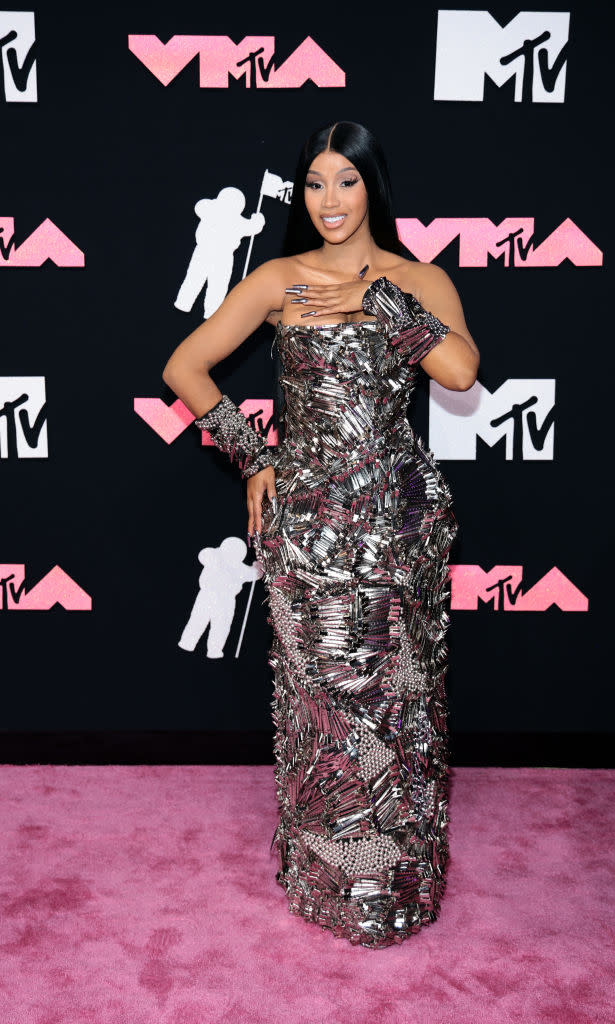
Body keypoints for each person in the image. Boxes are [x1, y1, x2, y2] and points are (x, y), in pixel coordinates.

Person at [162, 120, 479, 949]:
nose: (330, 200)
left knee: (399, 703)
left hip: (397, 522)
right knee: (323, 709)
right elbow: (184, 367)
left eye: (346, 180)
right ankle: (332, 883)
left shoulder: (418, 277)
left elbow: (458, 373)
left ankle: (398, 881)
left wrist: (376, 300)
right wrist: (253, 457)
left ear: (372, 185)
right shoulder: (279, 277)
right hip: (307, 522)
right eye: (314, 183)